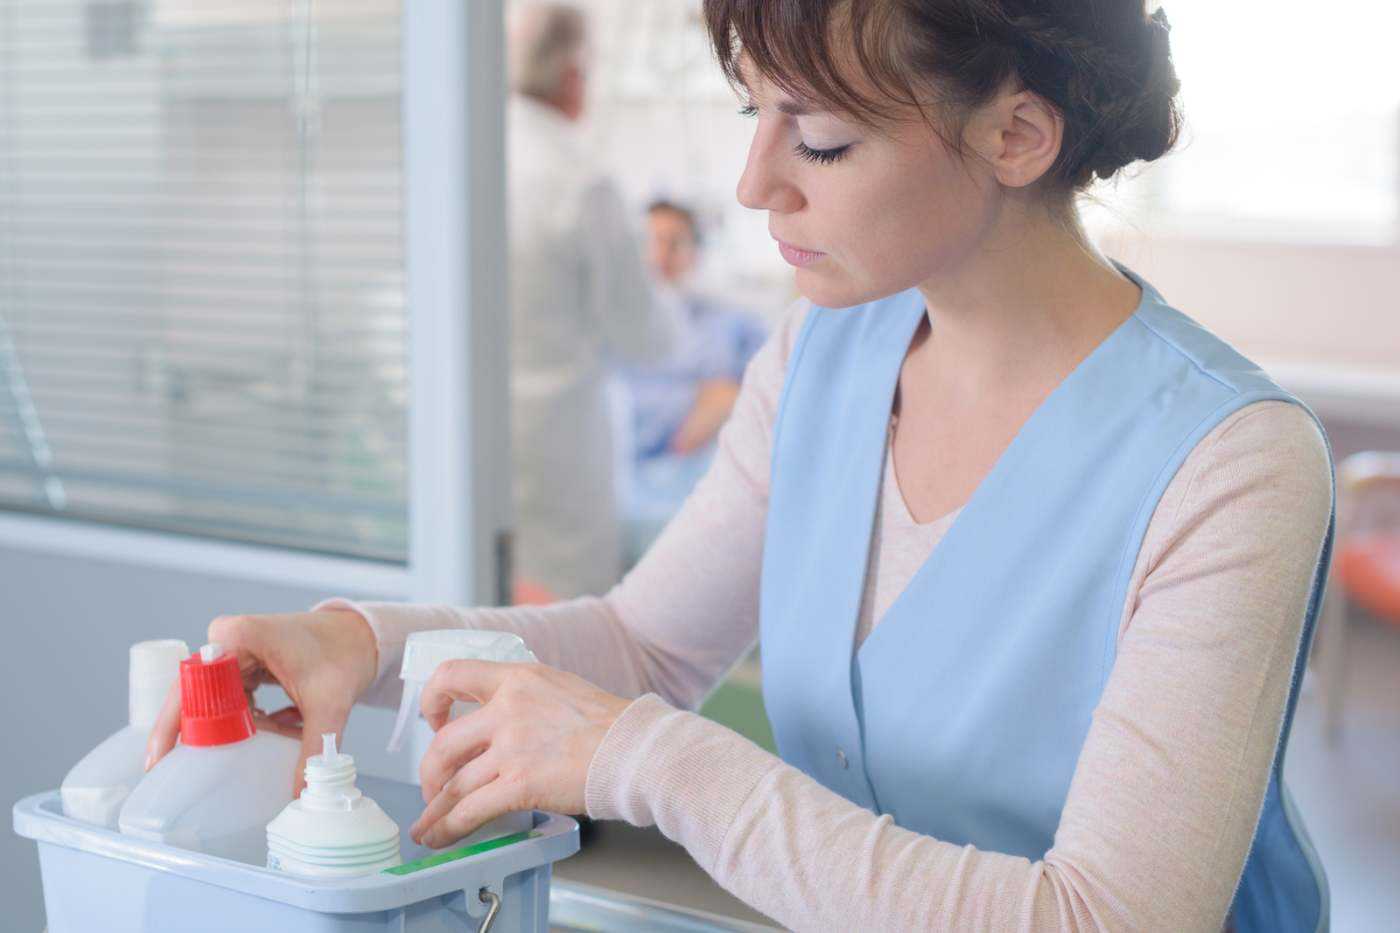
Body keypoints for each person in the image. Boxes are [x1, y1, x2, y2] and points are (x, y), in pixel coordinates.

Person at [148, 3, 1335, 930]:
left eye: (819, 137)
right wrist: (362, 644)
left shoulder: (1228, 469)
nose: (754, 184)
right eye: (751, 118)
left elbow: (1108, 920)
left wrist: (649, 759)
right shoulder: (824, 353)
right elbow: (646, 646)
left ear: (1016, 135)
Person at [506, 2, 678, 599]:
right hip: (558, 447)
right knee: (561, 633)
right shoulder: (579, 177)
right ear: (575, 75)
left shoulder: (470, 151)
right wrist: (669, 293)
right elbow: (647, 337)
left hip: (481, 439)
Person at [622, 200, 767, 463]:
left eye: (674, 242)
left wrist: (726, 400)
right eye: (650, 242)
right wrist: (713, 400)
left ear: (696, 252)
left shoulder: (737, 324)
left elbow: (770, 396)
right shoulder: (610, 330)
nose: (660, 255)